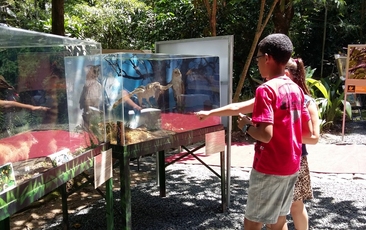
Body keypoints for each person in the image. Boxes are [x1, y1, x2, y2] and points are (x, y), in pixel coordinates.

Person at [198, 33, 312, 230]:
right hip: (292, 165)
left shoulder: (266, 90)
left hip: (269, 167)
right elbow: (305, 130)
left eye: (258, 58)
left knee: (252, 223)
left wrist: (246, 126)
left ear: (267, 58)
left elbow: (265, 135)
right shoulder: (296, 90)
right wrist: (211, 113)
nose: (258, 63)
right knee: (278, 222)